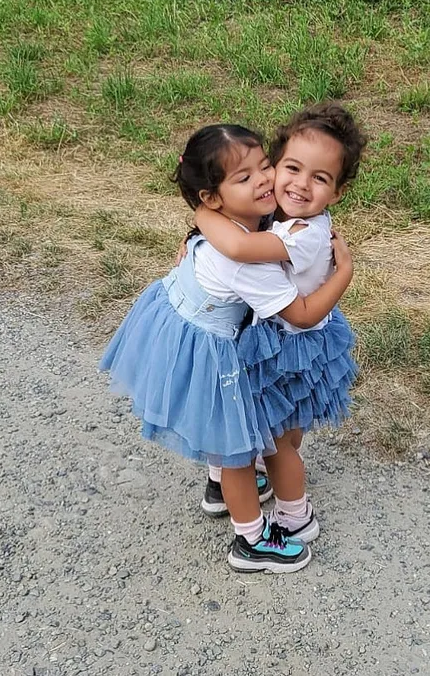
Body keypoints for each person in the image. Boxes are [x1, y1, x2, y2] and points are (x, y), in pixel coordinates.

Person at [99, 123, 354, 573]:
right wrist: (344, 273)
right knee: (234, 445)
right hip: (206, 347)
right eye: (244, 177)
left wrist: (200, 217)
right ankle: (252, 540)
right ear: (212, 197)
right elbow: (277, 291)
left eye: (264, 166)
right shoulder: (244, 260)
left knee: (232, 434)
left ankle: (222, 488)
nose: (264, 180)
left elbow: (237, 238)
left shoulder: (248, 225)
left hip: (182, 326)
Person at [195, 102, 366, 541]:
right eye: (291, 168)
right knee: (270, 428)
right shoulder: (282, 214)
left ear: (338, 192)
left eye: (320, 178)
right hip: (274, 339)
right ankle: (240, 482)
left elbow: (240, 248)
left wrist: (203, 214)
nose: (301, 185)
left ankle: (295, 517)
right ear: (274, 166)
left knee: (278, 442)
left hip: (290, 346)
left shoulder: (305, 234)